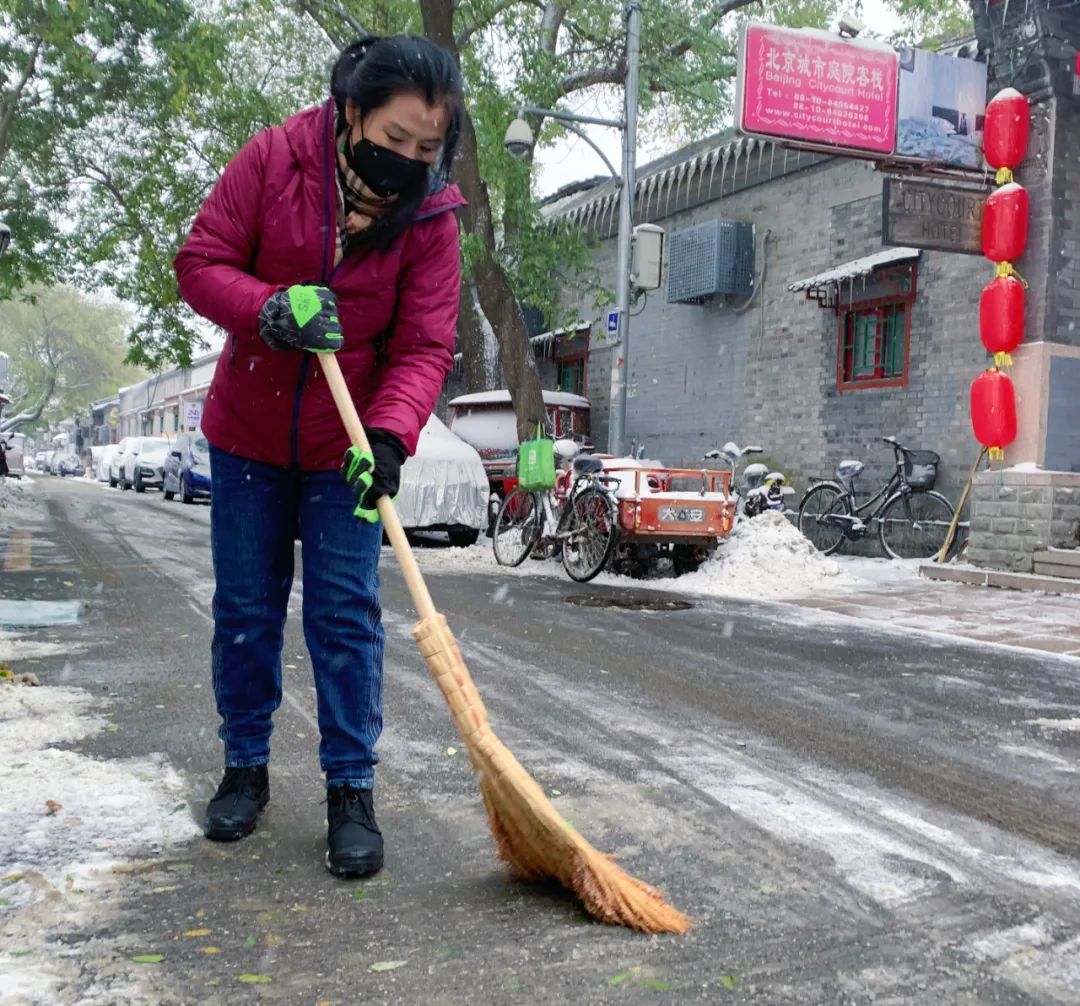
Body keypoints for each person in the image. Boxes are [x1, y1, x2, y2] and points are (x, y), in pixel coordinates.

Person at [173, 35, 465, 878]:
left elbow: (423, 345)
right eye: (395, 138)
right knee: (247, 609)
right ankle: (245, 768)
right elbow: (199, 263)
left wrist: (387, 437)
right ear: (352, 113)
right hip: (250, 440)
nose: (408, 160)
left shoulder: (433, 220)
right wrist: (268, 308)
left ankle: (350, 788)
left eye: (426, 148)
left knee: (345, 617)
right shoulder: (273, 160)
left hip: (347, 448)